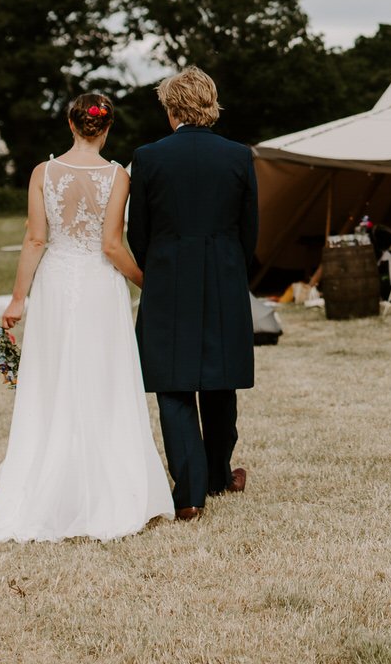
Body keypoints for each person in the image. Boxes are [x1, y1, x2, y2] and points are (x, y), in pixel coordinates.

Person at [0, 94, 174, 542]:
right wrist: (147, 282)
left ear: (71, 124)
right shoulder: (118, 175)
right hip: (101, 287)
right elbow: (111, 245)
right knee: (104, 380)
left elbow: (35, 239)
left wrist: (17, 299)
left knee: (52, 381)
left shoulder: (43, 173)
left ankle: (49, 485)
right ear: (106, 129)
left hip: (56, 287)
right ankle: (107, 488)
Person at [129, 67, 258, 522]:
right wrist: (231, 267)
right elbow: (250, 230)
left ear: (171, 108)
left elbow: (137, 232)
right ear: (210, 103)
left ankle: (189, 494)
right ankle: (220, 475)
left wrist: (162, 267)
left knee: (174, 385)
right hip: (223, 275)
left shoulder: (147, 157)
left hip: (168, 278)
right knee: (219, 379)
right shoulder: (238, 156)